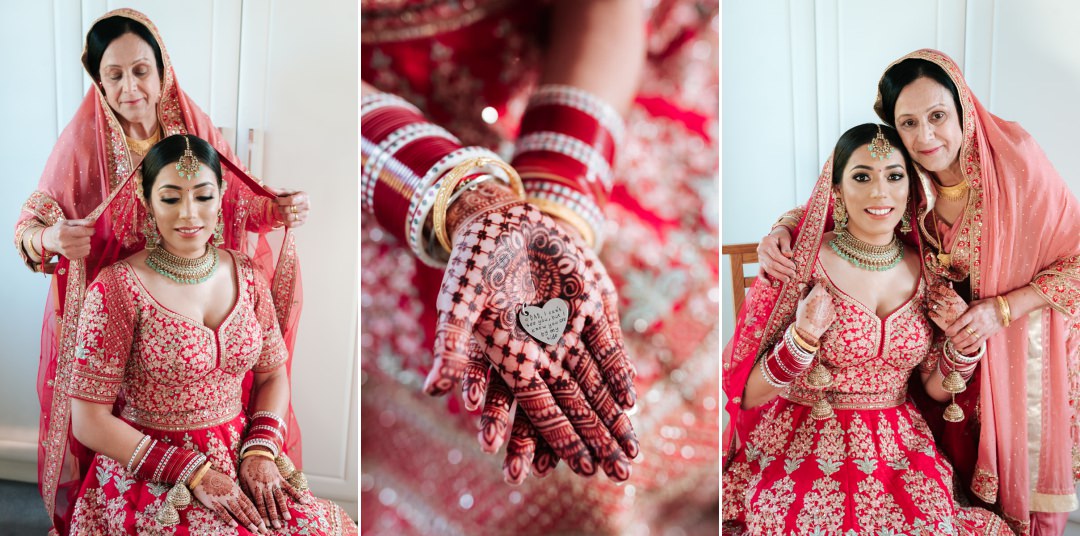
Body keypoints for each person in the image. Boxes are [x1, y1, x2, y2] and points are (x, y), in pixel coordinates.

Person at [361, 0, 719, 533]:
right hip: (376, 175)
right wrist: (464, 200)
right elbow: (280, 72)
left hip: (581, 104)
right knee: (560, 487)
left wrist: (558, 215)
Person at [755, 49, 1080, 535]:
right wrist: (781, 228)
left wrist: (1002, 310)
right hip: (945, 347)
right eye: (909, 123)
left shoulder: (1016, 164)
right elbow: (840, 197)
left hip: (1020, 343)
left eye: (937, 117)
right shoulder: (907, 176)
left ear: (963, 109)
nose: (926, 136)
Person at [13, 10, 312, 532]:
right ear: (98, 80)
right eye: (115, 75)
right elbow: (30, 228)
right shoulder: (81, 148)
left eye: (141, 70)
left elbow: (235, 201)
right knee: (103, 416)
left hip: (198, 300)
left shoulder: (193, 131)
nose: (131, 87)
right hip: (119, 304)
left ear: (163, 69)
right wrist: (54, 238)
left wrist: (276, 210)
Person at [722, 123, 1009, 534]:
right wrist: (801, 340)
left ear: (911, 188)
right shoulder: (800, 263)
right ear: (835, 191)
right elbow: (745, 393)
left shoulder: (928, 269)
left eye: (894, 176)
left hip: (899, 445)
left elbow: (932, 387)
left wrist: (961, 347)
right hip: (805, 437)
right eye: (862, 177)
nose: (880, 192)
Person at [65, 134, 355, 535]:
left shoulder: (248, 275)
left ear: (221, 195)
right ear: (146, 199)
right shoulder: (117, 289)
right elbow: (88, 421)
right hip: (151, 469)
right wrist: (193, 473)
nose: (189, 214)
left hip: (242, 454)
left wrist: (261, 451)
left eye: (203, 196)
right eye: (170, 198)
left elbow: (273, 374)